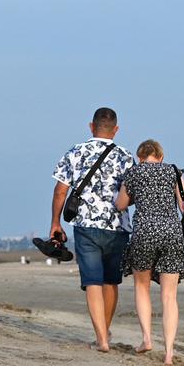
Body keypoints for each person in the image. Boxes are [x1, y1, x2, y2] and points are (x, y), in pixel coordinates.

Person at [50, 107, 134, 352]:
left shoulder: (75, 152)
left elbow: (60, 191)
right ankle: (105, 332)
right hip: (117, 226)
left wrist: (55, 222)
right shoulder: (126, 157)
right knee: (111, 281)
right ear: (116, 129)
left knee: (92, 281)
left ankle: (101, 339)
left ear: (91, 126)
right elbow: (132, 195)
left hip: (85, 226)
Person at [114, 139, 184, 366]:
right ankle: (169, 353)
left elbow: (120, 204)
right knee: (169, 296)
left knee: (142, 287)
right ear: (160, 156)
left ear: (140, 157)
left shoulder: (134, 173)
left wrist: (138, 195)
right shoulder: (173, 172)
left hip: (144, 234)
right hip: (172, 234)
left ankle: (147, 339)